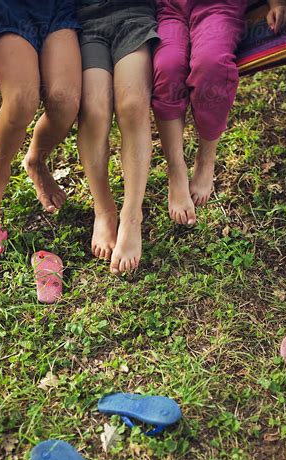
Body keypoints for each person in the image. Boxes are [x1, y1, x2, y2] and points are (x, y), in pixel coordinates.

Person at [152, 0, 286, 225]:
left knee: (211, 65)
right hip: (170, 8)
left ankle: (206, 158)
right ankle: (176, 168)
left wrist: (276, 3)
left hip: (219, 5)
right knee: (167, 67)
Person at [0, 1, 82, 230]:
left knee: (66, 102)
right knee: (22, 100)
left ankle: (36, 160)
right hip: (7, 8)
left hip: (58, 10)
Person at [76, 0, 159, 274]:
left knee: (133, 104)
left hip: (133, 16)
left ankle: (132, 216)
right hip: (87, 23)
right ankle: (104, 209)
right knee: (94, 109)